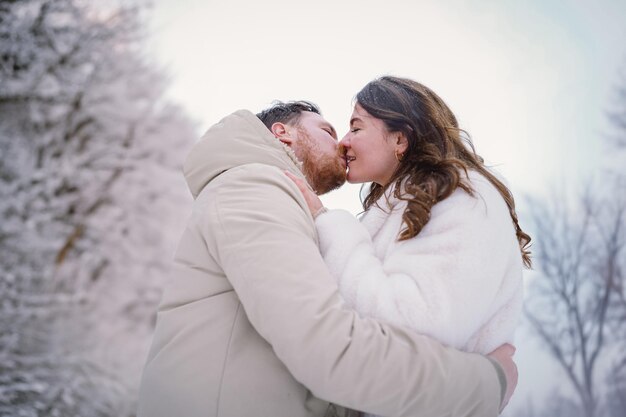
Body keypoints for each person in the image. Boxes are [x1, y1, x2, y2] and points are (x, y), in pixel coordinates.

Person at [137, 101, 517, 417]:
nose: (342, 145)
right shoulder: (253, 186)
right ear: (283, 133)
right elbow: (328, 348)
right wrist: (485, 385)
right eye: (330, 131)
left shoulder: (265, 196)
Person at [287, 77, 531, 416]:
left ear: (400, 138)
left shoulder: (465, 197)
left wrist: (330, 225)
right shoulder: (405, 204)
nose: (344, 142)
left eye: (356, 128)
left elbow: (414, 326)